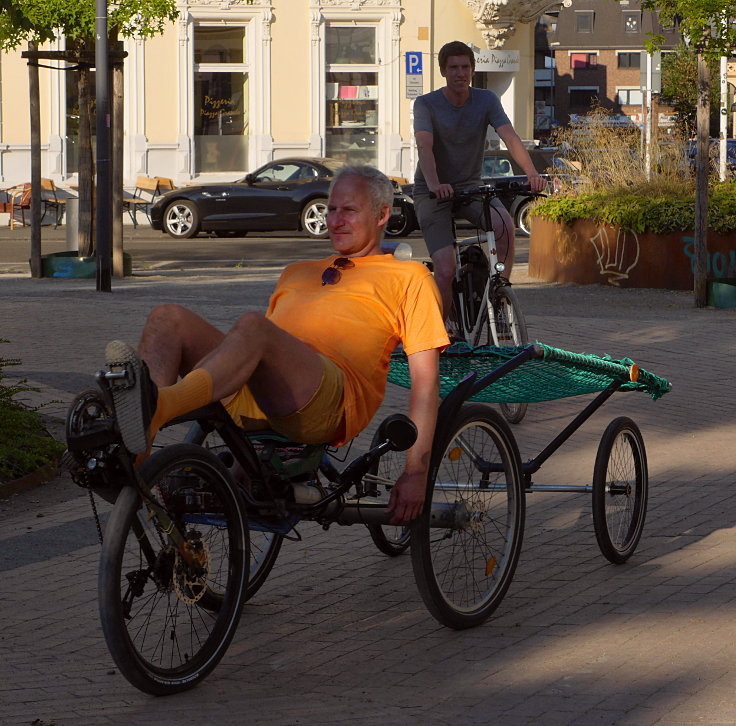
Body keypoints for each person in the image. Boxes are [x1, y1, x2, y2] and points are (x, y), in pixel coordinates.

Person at [103, 165, 449, 525]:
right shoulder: (297, 271)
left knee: (254, 326)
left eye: (349, 210)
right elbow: (258, 362)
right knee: (166, 317)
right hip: (262, 394)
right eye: (331, 209)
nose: (335, 220)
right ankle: (133, 456)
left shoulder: (411, 278)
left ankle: (159, 407)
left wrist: (416, 473)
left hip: (327, 402)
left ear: (382, 215)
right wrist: (242, 463)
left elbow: (425, 384)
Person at [413, 40, 548, 317]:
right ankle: (440, 333)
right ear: (443, 71)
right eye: (453, 68)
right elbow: (424, 146)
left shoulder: (486, 100)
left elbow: (509, 136)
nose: (460, 73)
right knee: (446, 269)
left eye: (465, 67)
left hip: (470, 189)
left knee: (505, 227)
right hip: (432, 191)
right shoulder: (426, 104)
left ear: (473, 70)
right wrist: (435, 183)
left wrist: (532, 173)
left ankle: (500, 291)